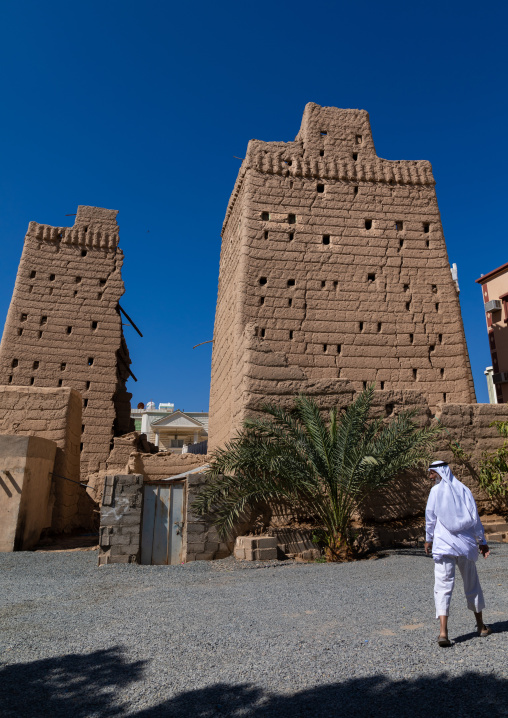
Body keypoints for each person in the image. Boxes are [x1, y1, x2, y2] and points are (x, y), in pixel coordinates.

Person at [424, 460, 491, 647]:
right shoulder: (464, 490)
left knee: (443, 587)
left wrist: (428, 539)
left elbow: (430, 518)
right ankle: (481, 626)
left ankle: (443, 633)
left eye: (431, 473)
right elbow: (475, 519)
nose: (430, 477)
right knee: (472, 584)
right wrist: (482, 542)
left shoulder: (435, 492)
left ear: (439, 473)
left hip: (444, 546)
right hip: (465, 546)